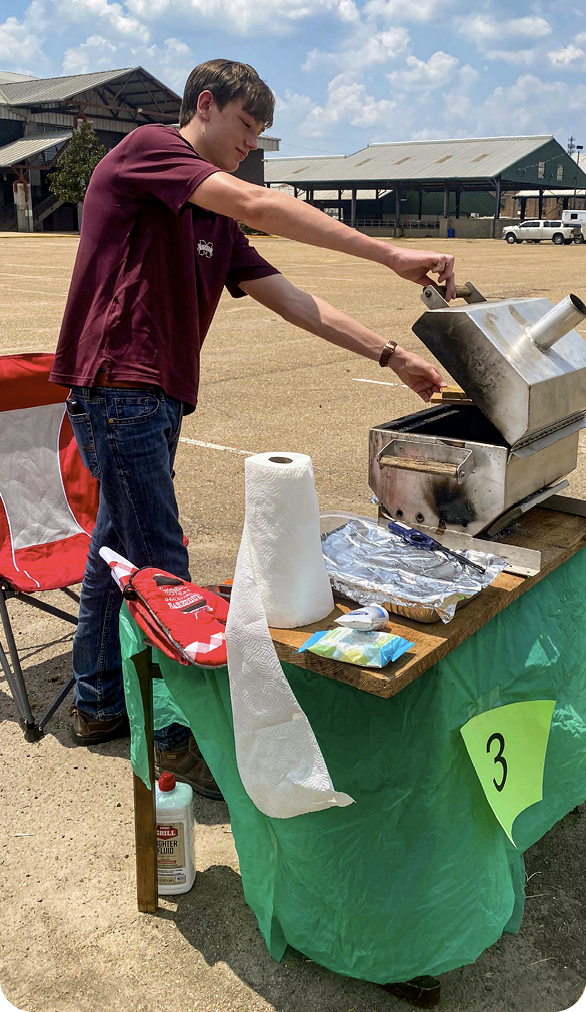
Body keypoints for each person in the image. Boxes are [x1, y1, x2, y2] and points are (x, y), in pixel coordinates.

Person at [50, 59, 454, 800]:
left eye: (261, 133)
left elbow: (295, 299)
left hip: (154, 398)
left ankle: (100, 703)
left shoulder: (211, 216)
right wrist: (391, 253)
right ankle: (180, 737)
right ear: (204, 105)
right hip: (120, 387)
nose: (250, 144)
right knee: (164, 567)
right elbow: (261, 204)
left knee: (118, 546)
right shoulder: (149, 149)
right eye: (244, 126)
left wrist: (394, 356)